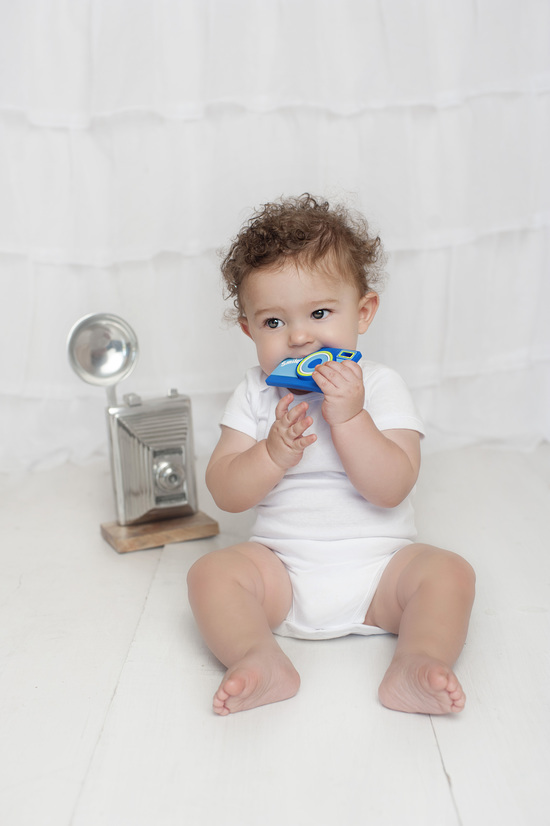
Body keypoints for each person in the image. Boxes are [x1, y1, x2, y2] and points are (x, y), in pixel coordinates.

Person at [187, 194, 475, 716]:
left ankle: (418, 659)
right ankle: (258, 656)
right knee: (210, 575)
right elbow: (225, 493)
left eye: (319, 313)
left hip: (380, 573)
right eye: (273, 322)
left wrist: (349, 417)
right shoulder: (255, 393)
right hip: (282, 574)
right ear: (248, 328)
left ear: (362, 312)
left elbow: (391, 487)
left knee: (449, 573)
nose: (298, 338)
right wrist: (271, 454)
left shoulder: (382, 386)